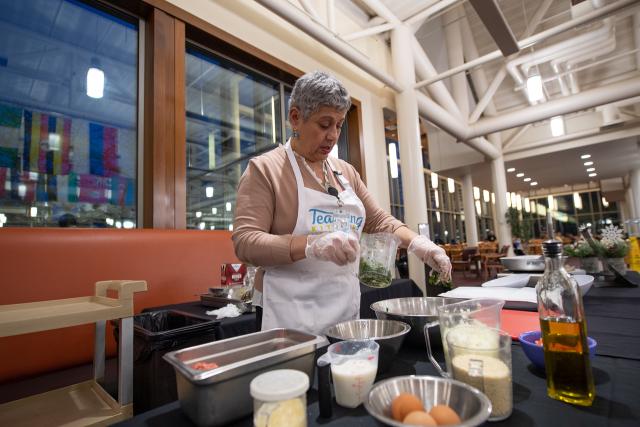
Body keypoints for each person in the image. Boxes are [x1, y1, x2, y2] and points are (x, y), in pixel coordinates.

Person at [232, 71, 451, 335]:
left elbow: (379, 221)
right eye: (324, 124)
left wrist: (420, 245)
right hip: (287, 313)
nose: (333, 135)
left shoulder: (345, 172)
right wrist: (311, 246)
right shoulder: (266, 170)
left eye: (339, 125)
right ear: (295, 118)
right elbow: (245, 242)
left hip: (342, 307)